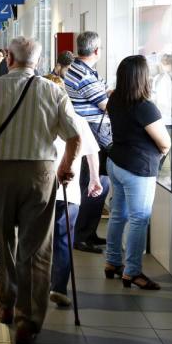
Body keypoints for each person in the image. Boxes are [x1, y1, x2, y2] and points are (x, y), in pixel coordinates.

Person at [0, 36, 81, 344]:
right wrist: (65, 167)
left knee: (1, 242)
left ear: (9, 60)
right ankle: (27, 321)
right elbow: (75, 136)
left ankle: (3, 303)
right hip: (39, 173)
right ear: (37, 63)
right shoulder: (54, 90)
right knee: (37, 249)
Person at [104, 55, 171, 290]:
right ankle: (132, 272)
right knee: (139, 219)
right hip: (138, 168)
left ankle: (112, 262)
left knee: (118, 214)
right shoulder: (145, 107)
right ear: (143, 77)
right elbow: (165, 143)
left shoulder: (114, 100)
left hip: (116, 163)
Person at [43, 74, 103, 309]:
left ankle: (37, 285)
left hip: (41, 191)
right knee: (63, 240)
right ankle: (57, 287)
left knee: (38, 240)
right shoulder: (78, 120)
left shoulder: (38, 122)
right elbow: (91, 153)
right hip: (68, 193)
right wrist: (95, 179)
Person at [64, 32, 112, 254]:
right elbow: (106, 105)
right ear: (96, 51)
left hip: (89, 130)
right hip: (93, 132)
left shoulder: (78, 69)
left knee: (96, 183)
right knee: (94, 185)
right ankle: (82, 236)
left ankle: (87, 233)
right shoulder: (84, 75)